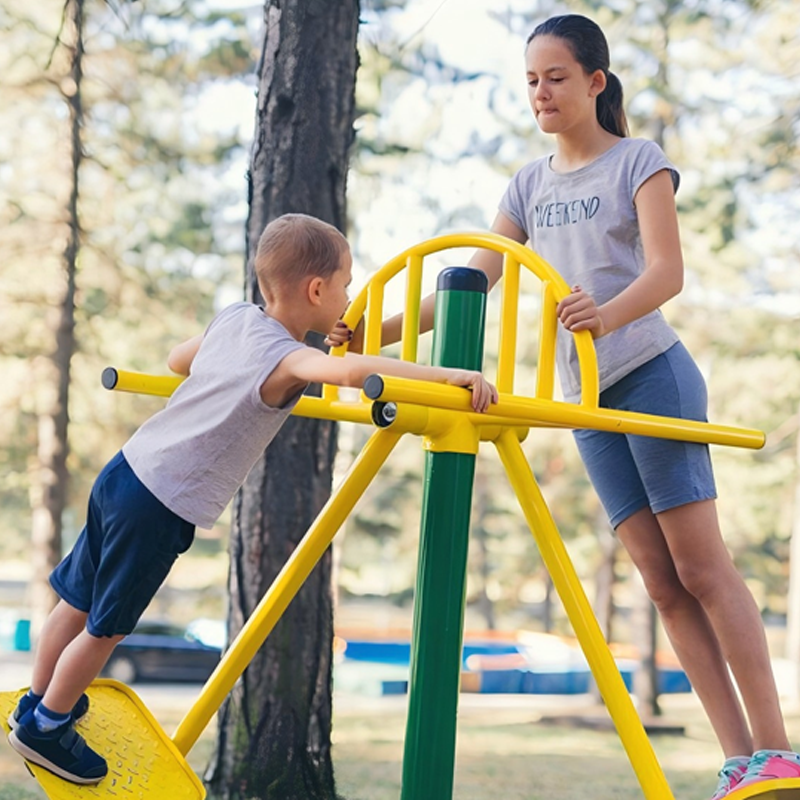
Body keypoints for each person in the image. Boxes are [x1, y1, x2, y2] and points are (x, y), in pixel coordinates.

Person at [330, 14, 800, 800]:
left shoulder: (637, 162)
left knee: (700, 567)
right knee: (658, 581)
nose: (541, 93)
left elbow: (668, 271)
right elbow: (474, 278)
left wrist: (604, 316)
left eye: (555, 77)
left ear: (594, 82)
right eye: (530, 81)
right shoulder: (528, 185)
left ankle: (779, 750)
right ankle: (736, 760)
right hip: (588, 398)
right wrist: (367, 335)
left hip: (651, 372)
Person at [7, 212, 498, 785]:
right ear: (317, 291)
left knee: (77, 599)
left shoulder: (237, 318)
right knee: (106, 626)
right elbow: (349, 373)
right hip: (160, 504)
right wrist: (446, 376)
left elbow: (177, 359)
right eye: (345, 285)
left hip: (125, 471)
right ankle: (47, 725)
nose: (348, 296)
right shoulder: (287, 358)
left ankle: (36, 697)